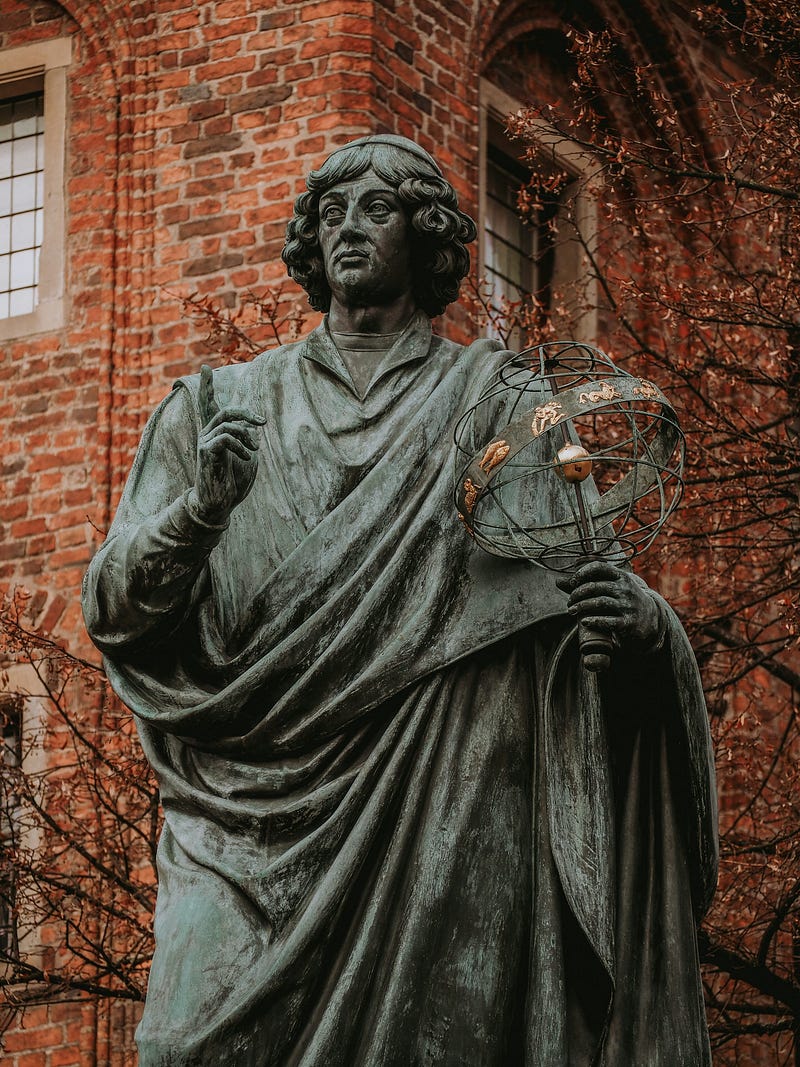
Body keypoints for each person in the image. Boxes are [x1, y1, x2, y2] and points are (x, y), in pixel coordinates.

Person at [82, 135, 717, 1066]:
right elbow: (114, 608)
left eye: (375, 209)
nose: (346, 228)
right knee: (183, 1041)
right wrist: (200, 511)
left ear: (425, 237)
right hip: (242, 810)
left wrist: (644, 632)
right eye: (330, 212)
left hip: (449, 796)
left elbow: (584, 591)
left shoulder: (500, 404)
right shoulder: (218, 404)